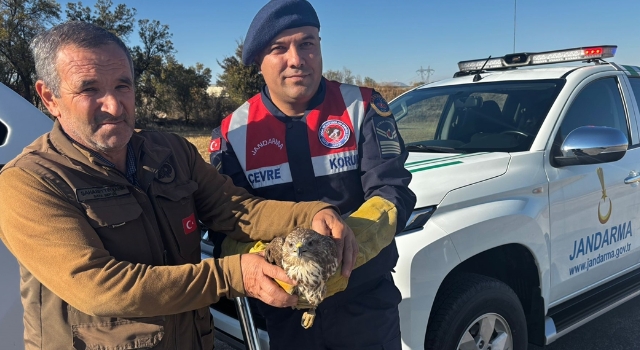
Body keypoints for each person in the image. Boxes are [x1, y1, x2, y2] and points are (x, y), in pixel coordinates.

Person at [0, 21, 358, 350]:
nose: (114, 104)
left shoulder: (169, 152)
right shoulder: (27, 183)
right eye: (89, 89)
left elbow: (237, 209)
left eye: (123, 85)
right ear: (49, 98)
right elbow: (98, 286)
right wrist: (235, 275)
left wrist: (315, 211)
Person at [209, 1, 417, 348]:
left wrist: (343, 248)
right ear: (259, 62)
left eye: (307, 43)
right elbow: (226, 224)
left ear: (319, 46)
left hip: (365, 306)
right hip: (285, 313)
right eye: (279, 48)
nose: (296, 59)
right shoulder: (233, 133)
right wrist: (281, 267)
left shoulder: (362, 107)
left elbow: (393, 192)